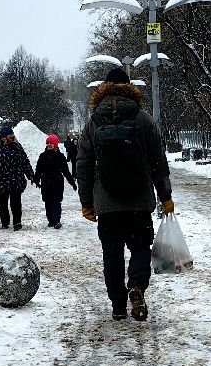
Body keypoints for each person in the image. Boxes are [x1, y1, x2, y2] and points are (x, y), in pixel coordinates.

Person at [76, 67, 173, 321]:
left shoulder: (93, 122)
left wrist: (87, 202)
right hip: (139, 202)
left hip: (107, 205)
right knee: (140, 247)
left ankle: (118, 305)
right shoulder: (143, 119)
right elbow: (157, 161)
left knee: (112, 254)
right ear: (130, 88)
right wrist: (165, 196)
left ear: (104, 88)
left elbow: (83, 165)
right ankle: (137, 287)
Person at [0, 124, 35, 230]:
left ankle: (17, 223)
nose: (12, 136)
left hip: (16, 179)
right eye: (10, 135)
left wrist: (30, 175)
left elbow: (25, 162)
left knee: (16, 203)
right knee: (2, 203)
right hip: (1, 180)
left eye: (13, 134)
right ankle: (5, 222)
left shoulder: (18, 147)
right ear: (4, 137)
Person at [34, 134, 77, 228]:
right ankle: (50, 220)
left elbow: (66, 171)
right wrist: (36, 180)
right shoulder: (43, 156)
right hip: (46, 182)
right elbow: (38, 169)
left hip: (57, 182)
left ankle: (57, 220)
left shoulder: (60, 157)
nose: (49, 144)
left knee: (57, 202)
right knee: (48, 202)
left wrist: (72, 183)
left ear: (55, 144)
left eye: (51, 143)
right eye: (48, 143)